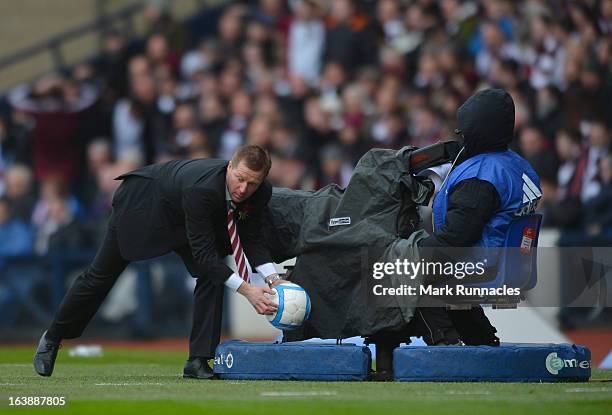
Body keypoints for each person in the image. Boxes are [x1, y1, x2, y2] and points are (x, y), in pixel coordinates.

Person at [34, 145, 285, 379]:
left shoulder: (260, 193)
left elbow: (251, 237)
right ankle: (53, 338)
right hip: (144, 206)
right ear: (229, 167)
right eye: (240, 179)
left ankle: (198, 360)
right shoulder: (203, 189)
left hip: (185, 215)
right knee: (99, 277)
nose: (243, 189)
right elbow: (204, 256)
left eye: (252, 183)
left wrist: (273, 278)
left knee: (213, 275)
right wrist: (247, 290)